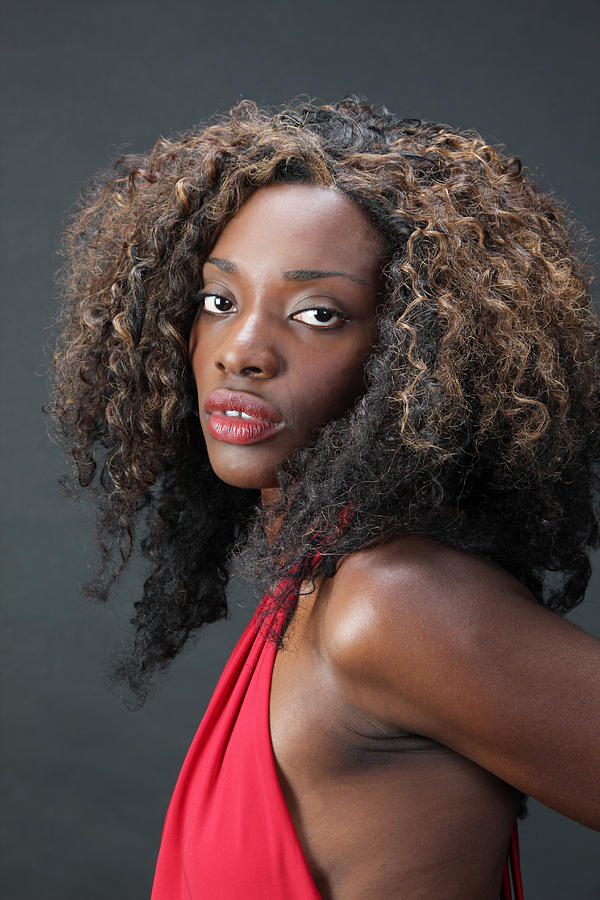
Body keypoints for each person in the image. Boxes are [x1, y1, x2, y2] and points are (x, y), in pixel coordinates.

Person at [47, 97, 600, 899]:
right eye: (218, 301)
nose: (241, 352)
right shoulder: (312, 585)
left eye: (318, 313)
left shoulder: (394, 604)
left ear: (418, 357)